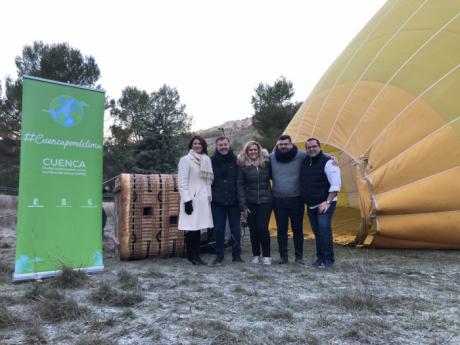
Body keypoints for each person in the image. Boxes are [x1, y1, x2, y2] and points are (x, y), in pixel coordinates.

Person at [300, 138, 341, 268]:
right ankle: (320, 258)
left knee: (324, 229)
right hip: (311, 203)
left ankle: (329, 259)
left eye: (314, 146)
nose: (311, 149)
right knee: (317, 231)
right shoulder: (305, 161)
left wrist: (327, 202)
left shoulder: (329, 162)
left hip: (326, 202)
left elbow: (335, 184)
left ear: (320, 147)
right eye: (308, 147)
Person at [270, 135, 307, 265]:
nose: (283, 146)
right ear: (277, 146)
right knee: (281, 230)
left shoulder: (301, 155)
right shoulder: (272, 157)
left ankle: (299, 257)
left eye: (286, 144)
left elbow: (317, 154)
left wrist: (332, 157)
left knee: (297, 229)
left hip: (297, 199)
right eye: (281, 145)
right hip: (278, 200)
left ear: (291, 144)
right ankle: (283, 257)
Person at [178, 135, 214, 265]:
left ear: (203, 145)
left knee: (199, 229)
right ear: (191, 145)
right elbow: (182, 182)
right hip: (191, 199)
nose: (197, 145)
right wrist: (187, 200)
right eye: (195, 143)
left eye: (199, 143)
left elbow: (208, 182)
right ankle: (191, 255)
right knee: (191, 229)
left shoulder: (206, 160)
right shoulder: (185, 160)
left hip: (203, 199)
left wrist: (209, 197)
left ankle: (196, 255)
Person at [237, 141, 273, 265]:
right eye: (250, 150)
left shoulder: (267, 164)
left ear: (259, 150)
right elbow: (240, 187)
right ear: (246, 152)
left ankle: (267, 256)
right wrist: (243, 206)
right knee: (253, 229)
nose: (253, 152)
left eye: (255, 149)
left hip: (266, 201)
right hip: (250, 202)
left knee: (263, 228)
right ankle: (256, 255)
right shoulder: (243, 167)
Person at [210, 136, 242, 265]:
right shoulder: (211, 161)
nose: (223, 147)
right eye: (220, 145)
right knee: (219, 230)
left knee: (236, 229)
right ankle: (219, 255)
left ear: (229, 145)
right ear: (217, 147)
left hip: (234, 200)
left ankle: (237, 255)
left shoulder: (236, 160)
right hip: (218, 201)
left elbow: (240, 181)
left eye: (225, 144)